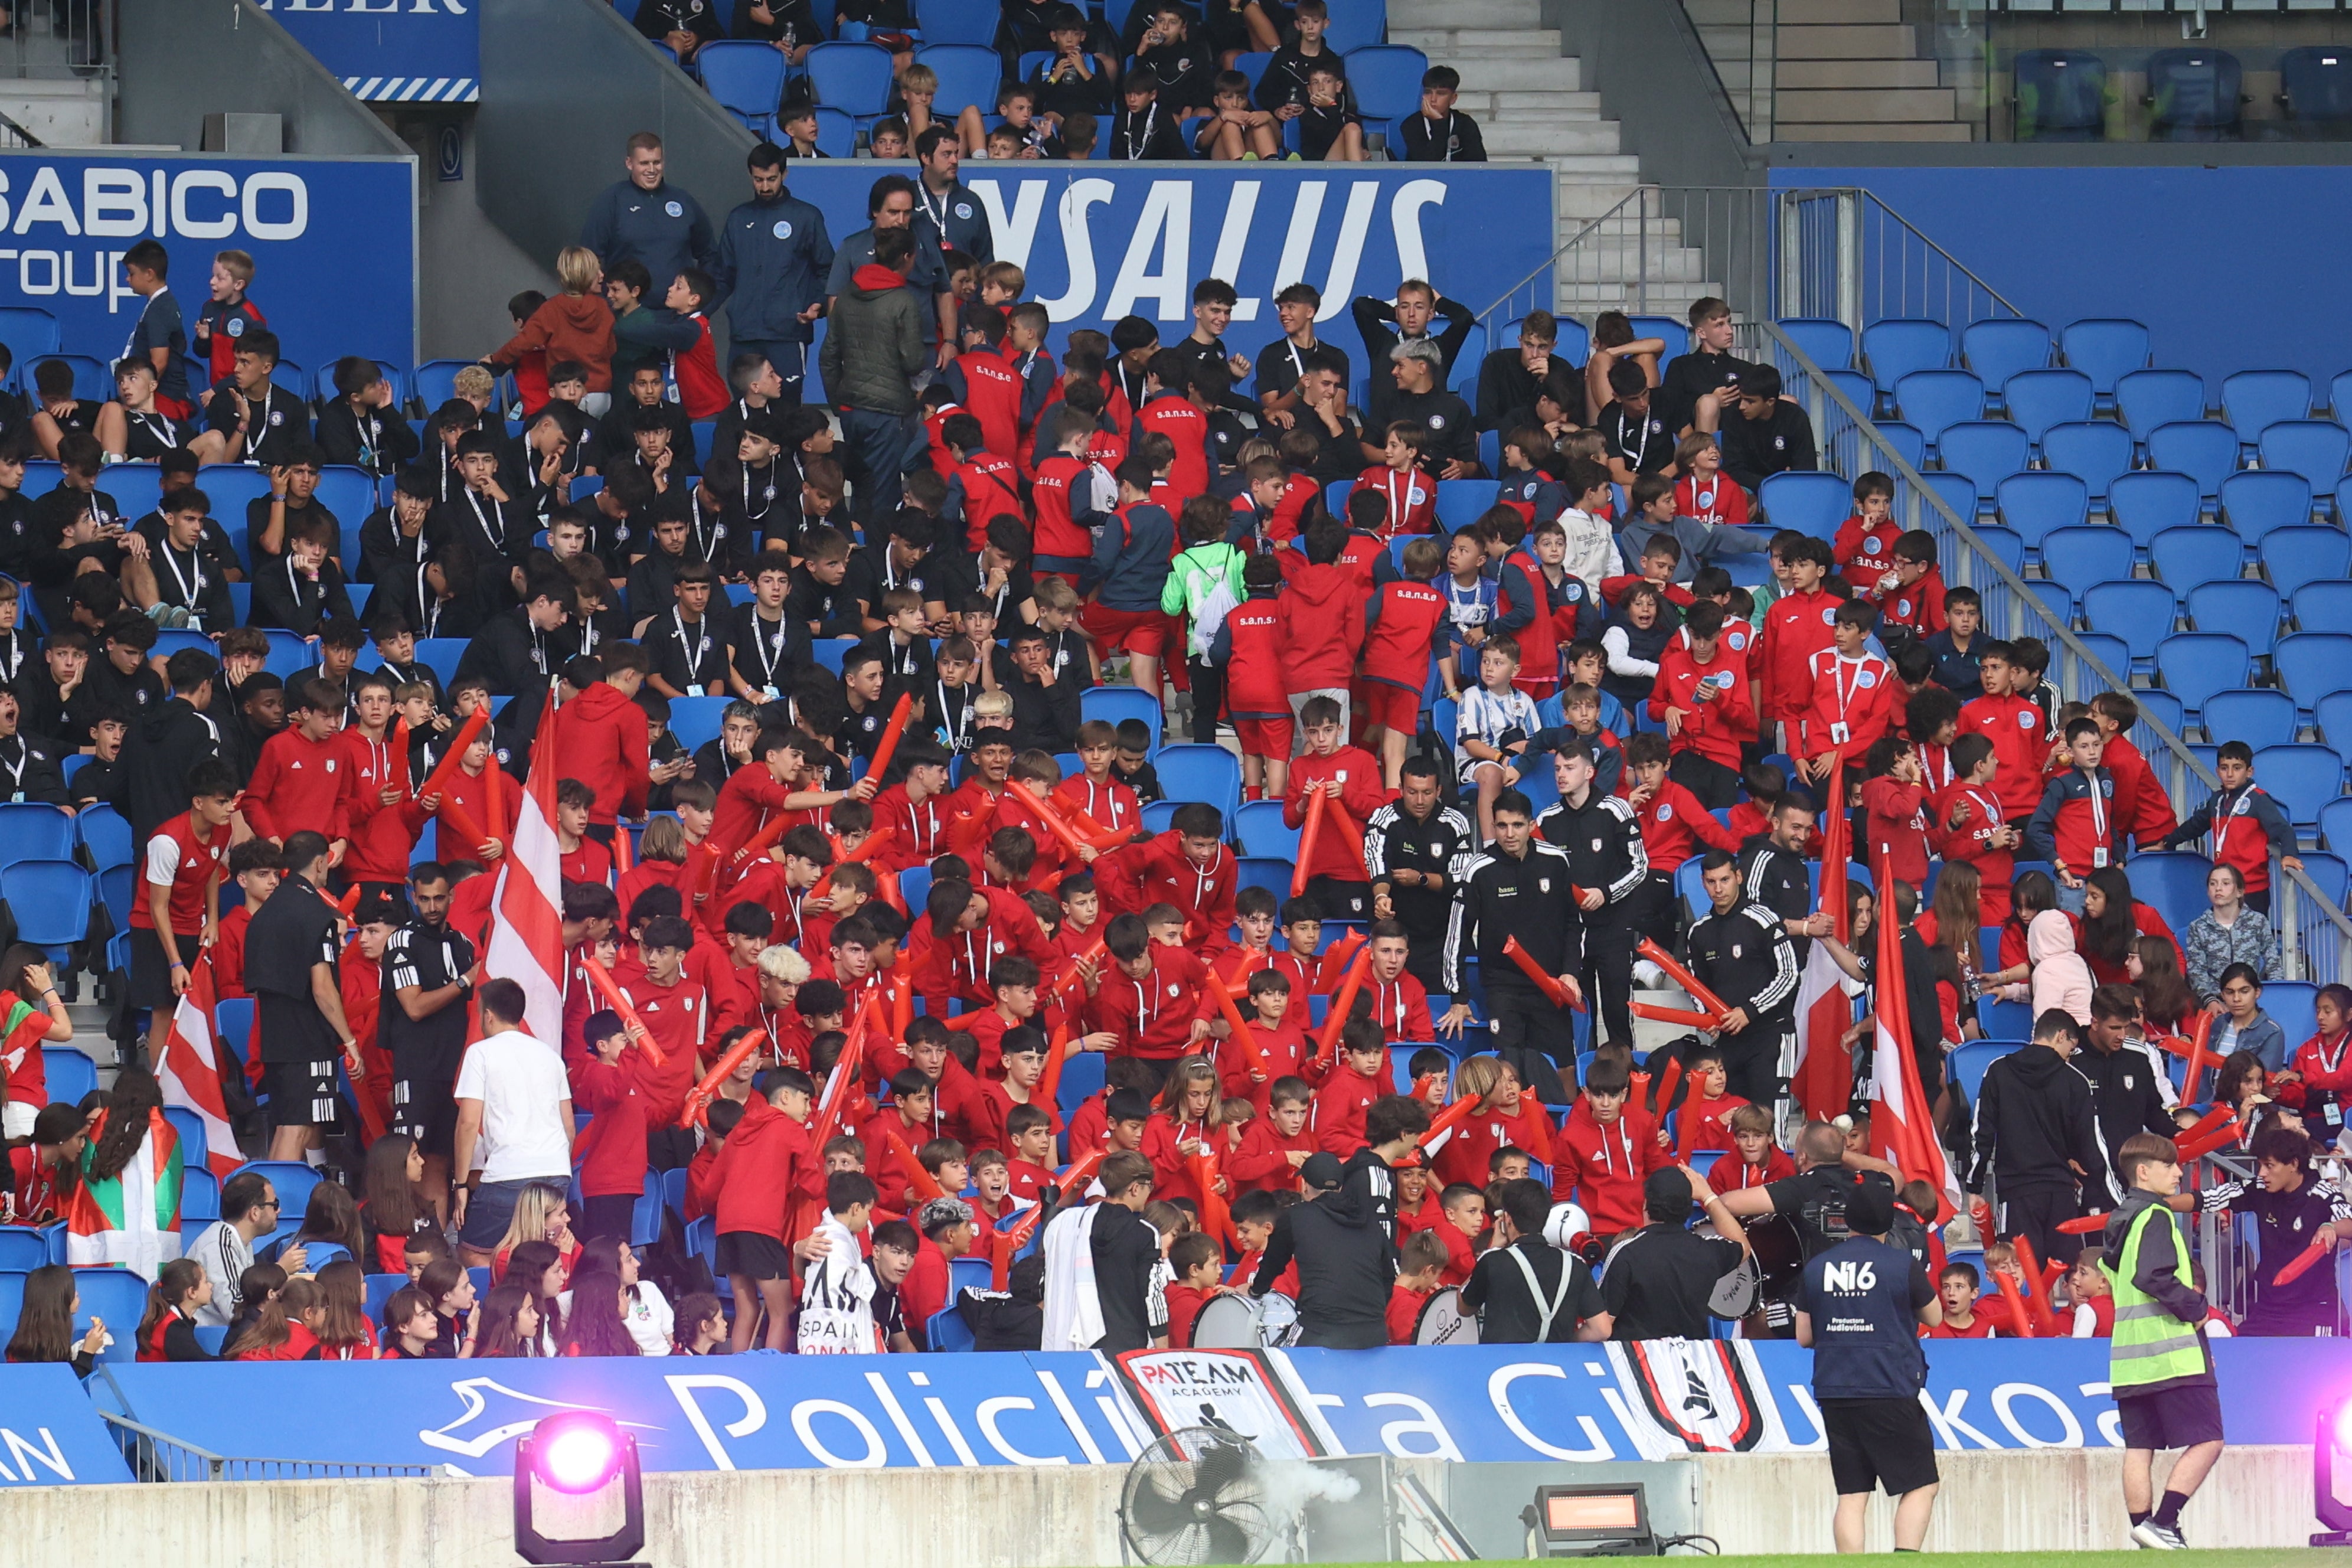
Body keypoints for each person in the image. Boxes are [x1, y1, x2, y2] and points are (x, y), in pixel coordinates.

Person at [1795, 1180, 1941, 1556]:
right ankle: (1905, 1561)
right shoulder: (1901, 1264)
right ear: (1889, 1221)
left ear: (1847, 1219)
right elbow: (1936, 1317)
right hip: (1889, 1385)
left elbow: (1804, 1336)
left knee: (1852, 1495)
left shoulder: (1816, 1268)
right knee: (1921, 1484)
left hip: (1835, 1389)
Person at [2101, 1132, 2226, 1552]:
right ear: (2144, 1171)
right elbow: (2153, 1277)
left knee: (2140, 1447)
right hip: (2173, 1355)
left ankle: (2144, 1532)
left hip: (2129, 1360)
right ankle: (2164, 1522)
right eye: (2171, 1166)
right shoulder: (2154, 1216)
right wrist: (2196, 1307)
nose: (2178, 1172)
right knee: (2210, 1439)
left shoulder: (2118, 1219)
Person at [1440, 789, 1583, 1103]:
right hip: (1503, 987)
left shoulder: (1556, 861)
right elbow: (1457, 933)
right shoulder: (1478, 869)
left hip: (1550, 986)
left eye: (1517, 825)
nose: (1509, 834)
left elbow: (1574, 923)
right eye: (1502, 826)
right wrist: (1459, 996)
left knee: (1565, 1070)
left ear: (1532, 825)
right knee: (1507, 1070)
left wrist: (1571, 973)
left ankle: (1566, 1133)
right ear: (1493, 826)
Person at [241, 832, 364, 1163]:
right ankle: (277, 1207)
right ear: (321, 862)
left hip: (275, 1038)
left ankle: (275, 1200)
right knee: (296, 1128)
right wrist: (349, 1041)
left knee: (286, 1126)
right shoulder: (315, 913)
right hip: (307, 1040)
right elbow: (323, 988)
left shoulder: (265, 913)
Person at [452, 979, 576, 1267]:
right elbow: (569, 1127)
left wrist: (460, 1185)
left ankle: (500, 1309)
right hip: (557, 1171)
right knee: (541, 1256)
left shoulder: (480, 1053)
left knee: (472, 1252)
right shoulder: (550, 1055)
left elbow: (468, 1125)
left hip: (509, 1175)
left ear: (488, 1015)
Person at [1968, 1008, 2106, 1265]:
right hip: (2061, 1192)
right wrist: (2098, 1183)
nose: (2070, 1057)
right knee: (2068, 1276)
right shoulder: (2075, 1081)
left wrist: (1975, 1186)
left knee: (2016, 1274)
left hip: (2016, 1192)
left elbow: (1982, 1132)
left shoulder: (1998, 1070)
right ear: (2061, 1036)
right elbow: (2091, 1145)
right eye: (2072, 1049)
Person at [711, 143, 835, 403]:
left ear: (784, 174)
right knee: (744, 407)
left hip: (788, 332)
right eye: (758, 180)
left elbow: (827, 270)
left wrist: (818, 305)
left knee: (787, 408)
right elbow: (723, 276)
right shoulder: (738, 218)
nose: (765, 187)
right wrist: (699, 313)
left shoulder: (806, 217)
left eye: (771, 179)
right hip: (745, 331)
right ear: (750, 176)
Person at [1247, 1150, 1393, 1348]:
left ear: (1305, 1186)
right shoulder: (1370, 1220)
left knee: (1275, 1360)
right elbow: (1388, 1276)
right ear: (1340, 1187)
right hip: (1374, 1334)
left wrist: (1255, 1291)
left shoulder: (1296, 1217)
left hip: (1322, 1330)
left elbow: (1272, 1264)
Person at [1601, 1165, 1750, 1341]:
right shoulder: (1707, 1250)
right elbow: (1742, 1246)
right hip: (1690, 1360)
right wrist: (1708, 1196)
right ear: (1688, 1208)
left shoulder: (1625, 1252)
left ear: (1646, 1204)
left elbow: (1603, 1325)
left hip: (1636, 1362)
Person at [1040, 1149, 1168, 1352]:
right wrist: (1162, 1350)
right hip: (1127, 1344)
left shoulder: (1070, 1223)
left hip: (1072, 1344)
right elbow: (1151, 1295)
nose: (1150, 1192)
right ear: (1135, 1188)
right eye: (1149, 1186)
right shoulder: (1145, 1233)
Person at [1455, 1177, 1611, 1343]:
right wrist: (1568, 1343)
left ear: (1507, 1218)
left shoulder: (1492, 1261)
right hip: (1556, 1364)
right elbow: (1602, 1330)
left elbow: (1464, 1307)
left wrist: (1492, 1247)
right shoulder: (1575, 1264)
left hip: (1503, 1364)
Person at [580, 132, 715, 308]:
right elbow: (589, 259)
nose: (652, 170)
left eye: (657, 162)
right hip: (626, 318)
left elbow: (710, 255)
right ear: (629, 163)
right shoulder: (611, 201)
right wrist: (606, 305)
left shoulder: (683, 201)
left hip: (677, 318)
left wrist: (701, 301)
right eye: (644, 163)